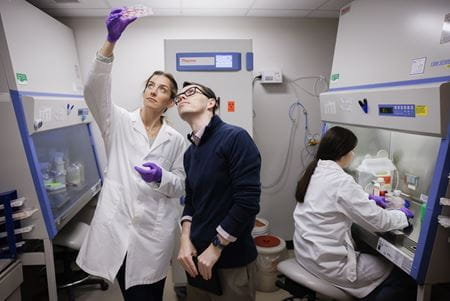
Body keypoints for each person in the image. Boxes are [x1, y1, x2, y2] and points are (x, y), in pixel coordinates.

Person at [76, 8, 186, 301]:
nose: (153, 91)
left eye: (162, 89)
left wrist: (162, 177)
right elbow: (93, 89)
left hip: (154, 234)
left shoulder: (175, 140)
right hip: (119, 232)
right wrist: (110, 42)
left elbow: (180, 185)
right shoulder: (119, 122)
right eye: (151, 85)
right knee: (130, 295)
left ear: (170, 102)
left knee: (149, 294)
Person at [293, 126, 416, 300]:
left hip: (307, 254)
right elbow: (379, 221)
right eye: (352, 150)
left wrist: (367, 198)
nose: (353, 154)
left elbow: (332, 197)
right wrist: (402, 215)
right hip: (328, 264)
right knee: (400, 276)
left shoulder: (315, 170)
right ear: (344, 153)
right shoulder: (341, 180)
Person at [175, 81, 261, 301]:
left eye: (191, 92)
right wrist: (185, 239)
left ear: (211, 103)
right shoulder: (190, 153)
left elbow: (247, 202)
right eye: (179, 96)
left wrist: (216, 247)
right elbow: (192, 200)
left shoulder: (234, 138)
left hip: (230, 259)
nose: (182, 97)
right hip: (196, 257)